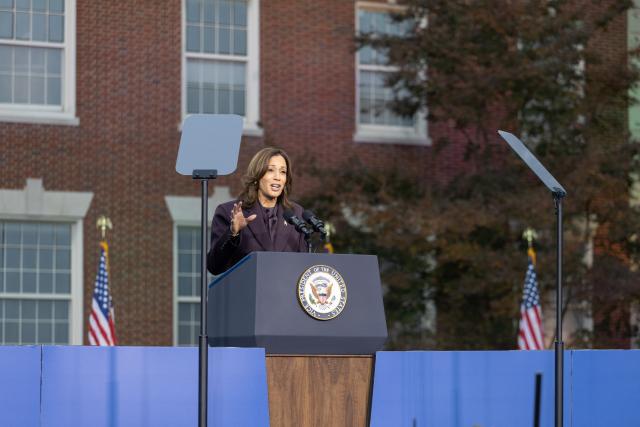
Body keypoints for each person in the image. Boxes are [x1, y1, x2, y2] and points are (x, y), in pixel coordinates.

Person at [207, 147, 308, 275]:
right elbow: (214, 266)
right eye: (270, 170)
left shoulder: (296, 213)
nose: (278, 177)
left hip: (286, 292)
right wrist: (233, 233)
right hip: (248, 292)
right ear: (257, 175)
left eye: (283, 172)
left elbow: (303, 264)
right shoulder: (229, 212)